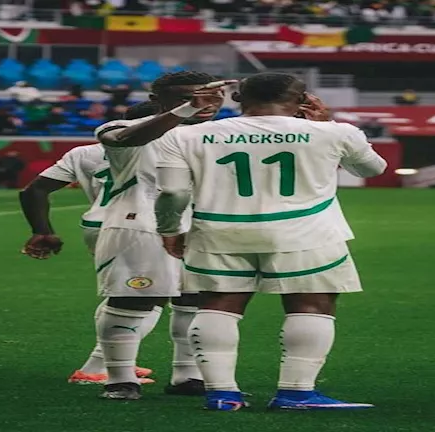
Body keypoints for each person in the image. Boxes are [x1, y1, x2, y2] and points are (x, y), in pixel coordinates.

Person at [151, 72, 387, 411]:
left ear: (237, 98)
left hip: (219, 231)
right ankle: (296, 393)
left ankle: (221, 394)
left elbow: (172, 192)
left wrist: (170, 229)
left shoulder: (186, 135)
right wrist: (327, 123)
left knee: (217, 305)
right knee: (311, 305)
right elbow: (371, 169)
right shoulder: (335, 132)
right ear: (303, 99)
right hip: (306, 232)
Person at [34, 71, 232, 401]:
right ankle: (120, 379)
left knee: (195, 301)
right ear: (157, 101)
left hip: (201, 227)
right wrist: (186, 110)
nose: (202, 103)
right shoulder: (119, 128)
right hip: (140, 226)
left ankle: (187, 375)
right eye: (187, 97)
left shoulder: (222, 134)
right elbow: (124, 139)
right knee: (132, 301)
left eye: (209, 96)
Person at [19, 102, 161, 386]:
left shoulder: (84, 152)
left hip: (98, 225)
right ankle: (98, 366)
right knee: (150, 297)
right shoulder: (167, 149)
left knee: (123, 295)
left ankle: (118, 359)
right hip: (143, 225)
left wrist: (42, 231)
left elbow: (33, 190)